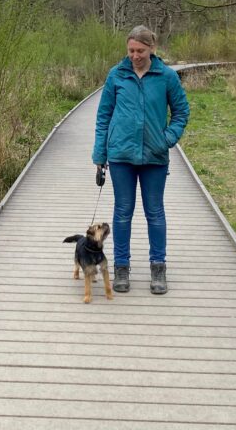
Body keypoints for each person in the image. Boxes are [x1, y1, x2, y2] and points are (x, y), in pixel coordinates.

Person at [91, 25, 190, 295]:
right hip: (121, 155)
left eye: (140, 51)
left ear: (152, 49)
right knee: (122, 213)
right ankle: (121, 268)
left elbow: (181, 111)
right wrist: (100, 155)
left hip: (155, 157)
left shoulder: (166, 77)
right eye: (131, 50)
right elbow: (103, 117)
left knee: (155, 212)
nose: (135, 55)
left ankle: (158, 267)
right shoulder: (116, 75)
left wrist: (167, 138)